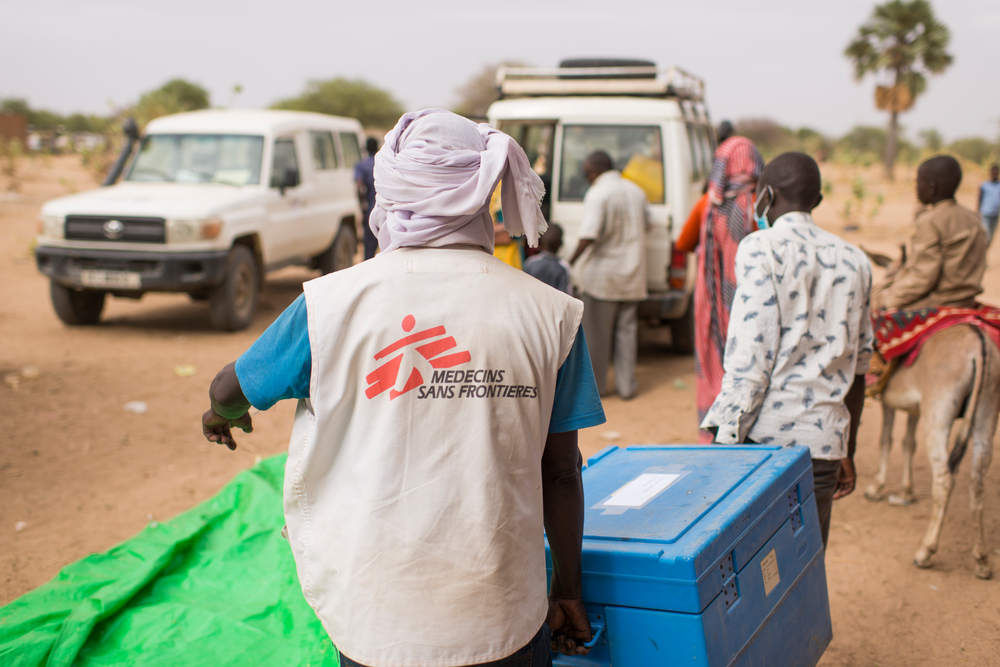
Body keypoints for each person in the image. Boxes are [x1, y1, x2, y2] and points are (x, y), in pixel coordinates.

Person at [202, 109, 606, 667]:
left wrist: (220, 412)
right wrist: (566, 591)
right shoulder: (554, 315)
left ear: (389, 194)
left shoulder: (329, 305)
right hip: (504, 621)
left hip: (378, 623)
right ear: (484, 193)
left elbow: (231, 385)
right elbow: (561, 472)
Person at [701, 152, 873, 549]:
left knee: (756, 568)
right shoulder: (856, 260)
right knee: (805, 569)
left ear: (766, 196)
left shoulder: (760, 248)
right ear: (818, 201)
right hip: (824, 448)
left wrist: (724, 446)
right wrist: (847, 446)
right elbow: (859, 368)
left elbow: (750, 358)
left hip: (764, 447)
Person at [694, 136, 765, 442]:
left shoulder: (709, 206)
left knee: (716, 365)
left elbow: (685, 243)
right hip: (747, 307)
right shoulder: (761, 209)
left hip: (712, 309)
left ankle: (715, 429)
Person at [569, 150, 652, 400]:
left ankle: (599, 389)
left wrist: (568, 263)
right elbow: (648, 225)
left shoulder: (598, 193)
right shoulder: (636, 191)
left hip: (603, 279)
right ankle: (627, 388)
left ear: (594, 171)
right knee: (627, 334)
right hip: (633, 275)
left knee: (597, 338)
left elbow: (589, 234)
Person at [874, 155, 987, 311]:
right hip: (966, 299)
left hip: (939, 301)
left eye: (918, 181)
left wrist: (887, 302)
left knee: (871, 302)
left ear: (932, 188)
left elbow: (923, 277)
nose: (915, 187)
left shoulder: (931, 221)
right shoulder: (974, 218)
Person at [525, 224, 572, 294]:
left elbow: (524, 287)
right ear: (561, 244)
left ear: (540, 242)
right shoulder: (564, 266)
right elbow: (566, 294)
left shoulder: (530, 262)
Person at [354, 137, 380, 259]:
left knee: (368, 251)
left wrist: (362, 206)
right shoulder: (383, 162)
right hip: (388, 209)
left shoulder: (361, 166)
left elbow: (360, 188)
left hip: (371, 209)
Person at [978, 163, 1000, 244]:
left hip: (995, 216)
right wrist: (978, 212)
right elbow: (980, 199)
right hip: (985, 215)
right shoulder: (984, 185)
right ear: (990, 173)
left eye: (996, 172)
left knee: (990, 238)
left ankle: (984, 253)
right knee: (985, 237)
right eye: (993, 172)